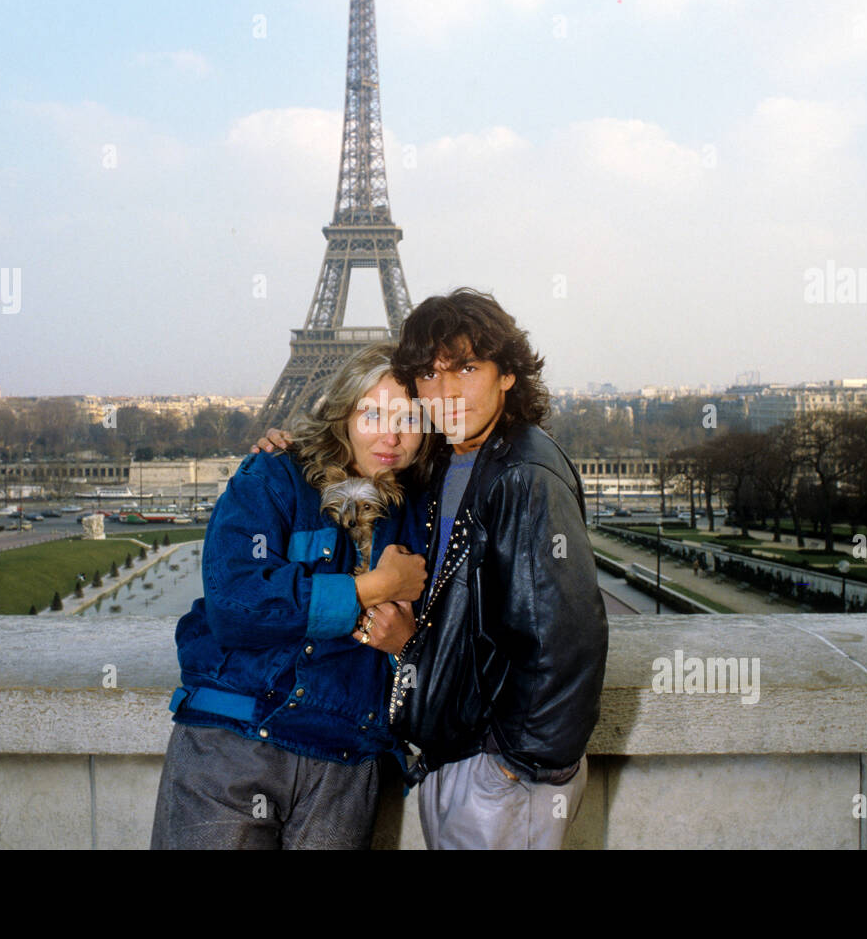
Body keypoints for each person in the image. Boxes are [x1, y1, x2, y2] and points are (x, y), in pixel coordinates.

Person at [258, 288, 609, 850]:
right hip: (456, 751)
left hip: (500, 771)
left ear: (507, 375)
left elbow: (566, 642)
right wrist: (296, 450)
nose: (445, 391)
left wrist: (517, 766)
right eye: (428, 374)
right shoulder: (448, 460)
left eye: (466, 368)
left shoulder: (525, 477)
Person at [150, 343, 431, 850]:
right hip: (238, 741)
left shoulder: (422, 509)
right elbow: (237, 608)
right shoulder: (273, 474)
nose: (391, 435)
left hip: (342, 757)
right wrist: (376, 587)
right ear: (343, 413)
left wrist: (408, 643)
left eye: (409, 418)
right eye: (374, 413)